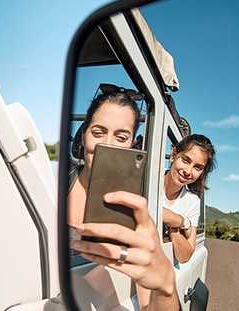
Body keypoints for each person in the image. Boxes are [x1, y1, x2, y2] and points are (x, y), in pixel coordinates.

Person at [68, 86, 180, 310]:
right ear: (84, 135)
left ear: (131, 145)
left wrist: (166, 285)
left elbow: (149, 304)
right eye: (98, 132)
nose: (107, 143)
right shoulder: (54, 180)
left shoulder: (135, 216)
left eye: (121, 137)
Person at [162, 134, 216, 264]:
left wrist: (173, 228)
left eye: (197, 167)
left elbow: (185, 256)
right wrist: (181, 221)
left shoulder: (192, 202)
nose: (188, 171)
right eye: (185, 160)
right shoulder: (149, 178)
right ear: (174, 154)